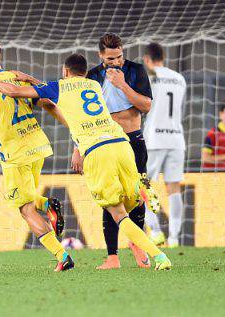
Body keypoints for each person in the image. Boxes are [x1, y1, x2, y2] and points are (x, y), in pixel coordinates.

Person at [0, 53, 172, 270]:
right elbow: (59, 97)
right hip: (122, 144)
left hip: (98, 152)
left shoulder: (59, 87)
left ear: (65, 72)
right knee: (132, 204)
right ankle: (141, 191)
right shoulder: (93, 85)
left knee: (118, 213)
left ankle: (159, 257)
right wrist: (32, 79)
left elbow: (14, 91)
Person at [0, 40, 73, 272]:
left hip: (16, 154)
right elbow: (48, 103)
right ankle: (48, 204)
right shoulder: (16, 77)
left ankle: (62, 256)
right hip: (38, 146)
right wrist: (72, 126)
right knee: (27, 198)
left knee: (25, 208)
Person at [72, 33, 158, 270]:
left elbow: (146, 106)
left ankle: (138, 244)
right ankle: (112, 256)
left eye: (119, 56)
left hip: (132, 141)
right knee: (110, 199)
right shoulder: (92, 77)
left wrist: (122, 85)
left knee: (138, 196)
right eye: (110, 58)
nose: (116, 61)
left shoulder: (135, 70)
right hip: (104, 144)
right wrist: (78, 148)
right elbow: (84, 116)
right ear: (101, 56)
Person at [142, 42, 187, 247]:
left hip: (154, 139)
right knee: (174, 187)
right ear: (163, 57)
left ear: (147, 59)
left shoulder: (149, 78)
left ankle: (156, 231)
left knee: (144, 185)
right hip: (176, 138)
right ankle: (175, 238)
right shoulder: (179, 79)